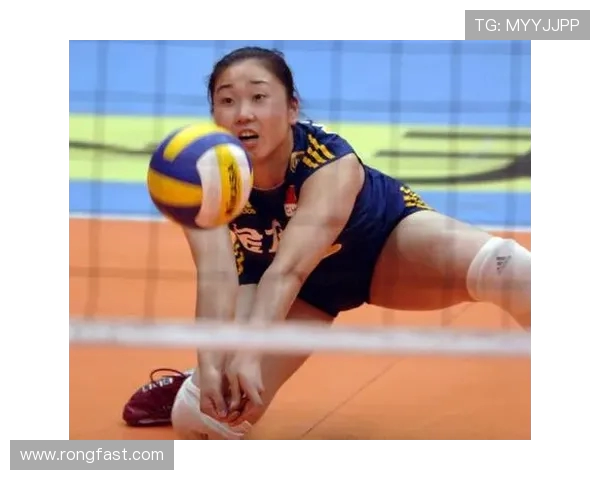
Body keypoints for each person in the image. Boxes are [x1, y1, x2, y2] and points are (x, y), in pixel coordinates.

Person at [122, 46, 531, 440]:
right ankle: (193, 380)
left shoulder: (330, 163)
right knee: (202, 422)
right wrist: (211, 362)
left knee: (511, 270)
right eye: (227, 101)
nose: (243, 113)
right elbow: (217, 277)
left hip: (380, 248)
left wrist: (250, 351)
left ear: (292, 109)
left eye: (259, 97)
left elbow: (290, 270)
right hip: (290, 290)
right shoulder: (201, 176)